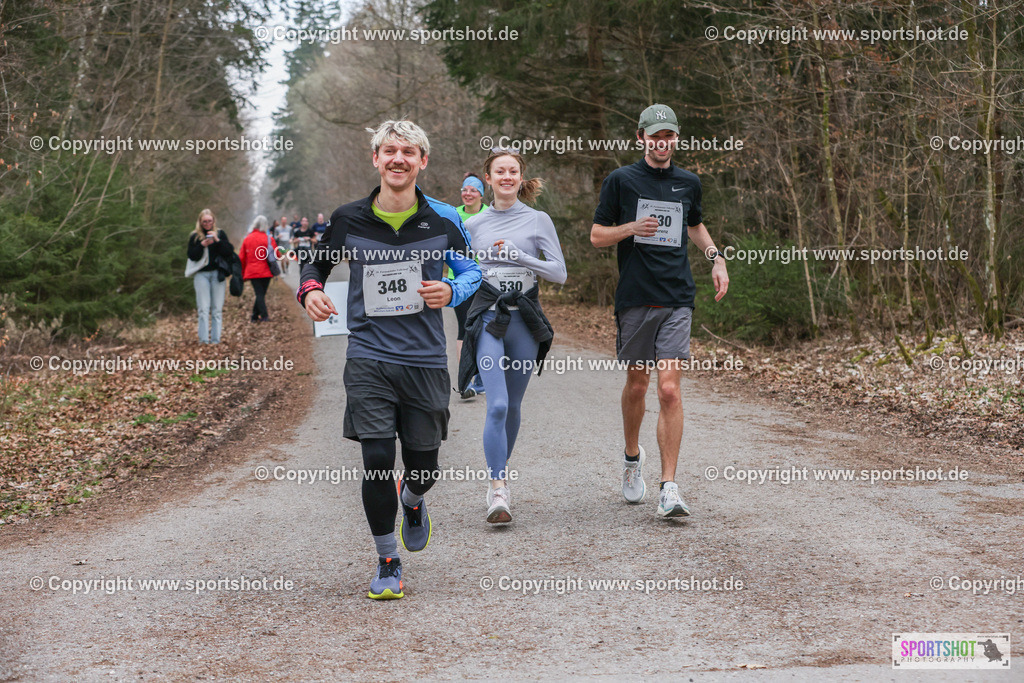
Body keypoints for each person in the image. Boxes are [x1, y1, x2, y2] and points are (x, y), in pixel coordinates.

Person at [299, 120, 480, 600]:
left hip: (424, 359)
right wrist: (311, 290)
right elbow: (314, 264)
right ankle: (386, 560)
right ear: (375, 159)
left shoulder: (443, 220)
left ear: (423, 161)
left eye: (409, 152)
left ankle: (414, 498)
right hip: (368, 356)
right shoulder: (349, 218)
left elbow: (472, 271)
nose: (398, 159)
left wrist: (451, 288)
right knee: (377, 459)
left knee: (424, 466)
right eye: (389, 150)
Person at [590, 103, 729, 519]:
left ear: (676, 138)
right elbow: (597, 236)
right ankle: (633, 458)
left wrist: (716, 257)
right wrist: (631, 228)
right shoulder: (621, 180)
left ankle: (669, 487)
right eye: (656, 136)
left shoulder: (689, 182)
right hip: (635, 297)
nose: (662, 142)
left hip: (676, 298)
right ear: (641, 138)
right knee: (637, 385)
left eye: (669, 135)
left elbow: (695, 224)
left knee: (669, 389)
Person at [457, 150, 566, 524]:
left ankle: (499, 475)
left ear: (521, 178)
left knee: (515, 406)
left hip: (525, 321)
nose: (506, 176)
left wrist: (523, 257)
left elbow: (559, 272)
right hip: (489, 318)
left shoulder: (538, 220)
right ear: (487, 178)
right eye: (499, 171)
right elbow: (459, 270)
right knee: (498, 404)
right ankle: (498, 486)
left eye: (513, 171)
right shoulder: (471, 226)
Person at [453, 173, 489, 399]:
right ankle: (465, 379)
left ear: (481, 194)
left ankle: (484, 375)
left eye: (473, 190)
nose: (467, 193)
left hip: (487, 280)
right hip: (461, 280)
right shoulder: (453, 214)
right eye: (464, 189)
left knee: (485, 326)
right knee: (464, 328)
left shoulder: (490, 214)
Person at [187, 209, 234, 344]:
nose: (207, 223)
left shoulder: (220, 234)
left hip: (217, 275)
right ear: (200, 222)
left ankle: (215, 340)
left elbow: (228, 251)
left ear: (213, 221)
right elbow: (191, 256)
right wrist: (202, 245)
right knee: (203, 309)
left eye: (209, 221)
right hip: (201, 275)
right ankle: (203, 340)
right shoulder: (195, 236)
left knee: (217, 310)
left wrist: (217, 240)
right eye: (204, 221)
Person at [239, 215, 279, 323]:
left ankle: (254, 316)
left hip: (252, 271)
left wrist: (242, 273)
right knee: (260, 294)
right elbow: (277, 254)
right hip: (266, 271)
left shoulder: (247, 239)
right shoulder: (268, 239)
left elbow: (242, 258)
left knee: (259, 294)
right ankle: (264, 316)